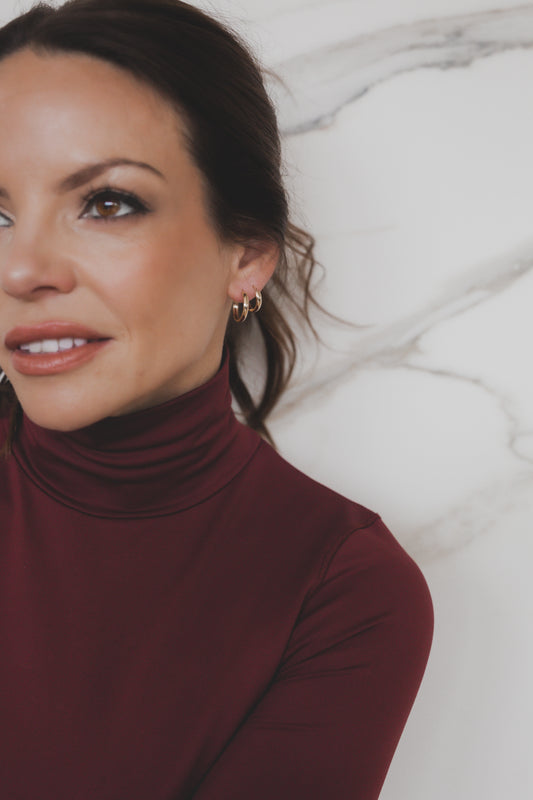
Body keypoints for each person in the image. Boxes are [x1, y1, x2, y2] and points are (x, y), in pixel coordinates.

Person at [0, 0, 434, 797]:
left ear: (246, 254)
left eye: (105, 203)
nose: (21, 269)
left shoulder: (339, 589)